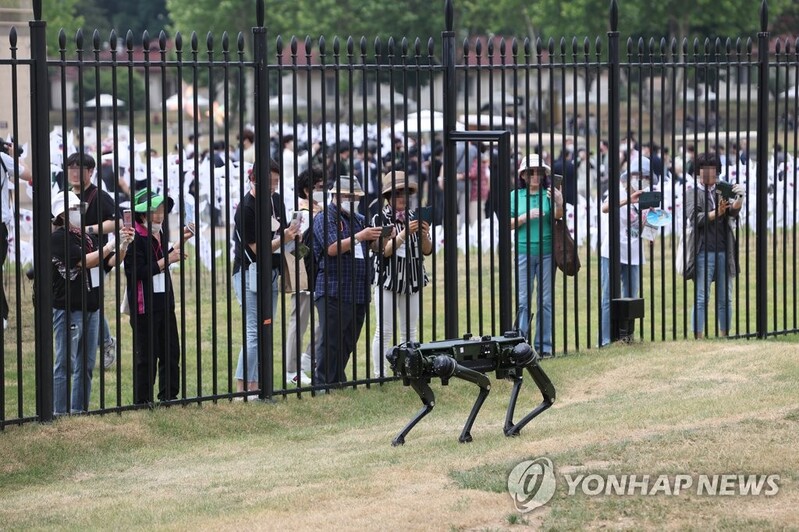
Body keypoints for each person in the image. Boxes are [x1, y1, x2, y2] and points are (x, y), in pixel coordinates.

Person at [51, 191, 133, 414]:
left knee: (86, 365)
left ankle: (79, 410)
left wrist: (123, 245)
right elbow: (84, 262)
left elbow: (109, 263)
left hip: (92, 306)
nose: (78, 213)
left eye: (79, 208)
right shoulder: (59, 238)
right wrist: (110, 245)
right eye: (73, 209)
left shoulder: (87, 238)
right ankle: (59, 412)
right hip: (69, 307)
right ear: (62, 214)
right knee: (65, 363)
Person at [232, 159, 298, 396]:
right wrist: (285, 237)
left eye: (276, 182)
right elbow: (256, 248)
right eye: (268, 182)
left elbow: (280, 230)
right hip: (248, 272)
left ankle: (256, 384)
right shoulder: (246, 208)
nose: (272, 187)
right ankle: (243, 387)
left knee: (265, 328)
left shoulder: (276, 200)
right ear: (253, 180)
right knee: (253, 331)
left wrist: (292, 229)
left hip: (271, 272)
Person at [311, 175, 382, 388]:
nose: (353, 199)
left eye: (355, 196)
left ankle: (337, 380)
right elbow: (332, 248)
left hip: (358, 289)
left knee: (348, 340)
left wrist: (377, 238)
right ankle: (323, 382)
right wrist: (361, 236)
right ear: (336, 195)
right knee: (330, 339)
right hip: (334, 287)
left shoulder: (359, 219)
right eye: (349, 196)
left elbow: (372, 248)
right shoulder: (325, 218)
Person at [125, 188, 193, 405]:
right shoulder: (134, 237)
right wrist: (169, 260)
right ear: (142, 214)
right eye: (155, 211)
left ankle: (169, 396)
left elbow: (163, 257)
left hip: (164, 301)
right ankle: (142, 401)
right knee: (146, 355)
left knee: (171, 351)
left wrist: (181, 241)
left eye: (162, 210)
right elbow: (136, 272)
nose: (160, 215)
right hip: (144, 305)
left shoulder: (159, 232)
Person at [370, 171, 432, 378]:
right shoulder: (380, 218)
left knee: (410, 330)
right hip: (388, 278)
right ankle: (379, 374)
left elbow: (427, 250)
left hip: (412, 277)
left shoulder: (415, 217)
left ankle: (408, 370)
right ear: (389, 196)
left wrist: (424, 235)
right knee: (384, 330)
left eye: (406, 194)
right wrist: (403, 235)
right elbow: (382, 251)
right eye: (398, 193)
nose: (403, 198)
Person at [65, 152, 120, 370]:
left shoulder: (99, 196)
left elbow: (115, 222)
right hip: (72, 256)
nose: (75, 173)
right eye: (72, 169)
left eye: (81, 169)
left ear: (90, 172)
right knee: (77, 302)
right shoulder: (66, 196)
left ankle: (106, 342)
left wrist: (87, 229)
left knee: (91, 303)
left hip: (97, 258)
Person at [683, 152, 744, 339]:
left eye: (713, 170)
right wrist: (717, 212)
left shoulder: (721, 189)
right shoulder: (692, 192)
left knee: (725, 297)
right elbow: (696, 218)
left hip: (724, 249)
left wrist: (740, 197)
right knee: (702, 297)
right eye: (704, 170)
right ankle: (698, 336)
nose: (709, 175)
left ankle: (725, 334)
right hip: (703, 250)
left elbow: (732, 214)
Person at [599, 156, 658, 347]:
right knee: (609, 295)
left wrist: (651, 230)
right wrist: (627, 200)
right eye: (636, 174)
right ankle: (606, 339)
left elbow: (648, 226)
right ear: (629, 175)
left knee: (631, 295)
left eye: (644, 175)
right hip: (613, 251)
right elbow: (605, 208)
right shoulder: (617, 191)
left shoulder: (649, 196)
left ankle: (627, 336)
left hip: (634, 252)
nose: (640, 178)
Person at [510, 154, 563, 358]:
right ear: (523, 175)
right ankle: (521, 345)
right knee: (523, 300)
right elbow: (508, 223)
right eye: (530, 172)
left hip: (548, 252)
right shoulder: (516, 196)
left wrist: (559, 201)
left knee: (545, 301)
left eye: (538, 172)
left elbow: (558, 216)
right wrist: (525, 217)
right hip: (523, 251)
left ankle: (544, 347)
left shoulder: (549, 194)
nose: (535, 175)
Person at [283, 167, 325, 386]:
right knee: (298, 321)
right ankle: (291, 369)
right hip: (305, 271)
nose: (323, 190)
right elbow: (292, 244)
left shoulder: (326, 209)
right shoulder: (300, 213)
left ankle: (308, 357)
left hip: (323, 271)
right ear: (307, 190)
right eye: (319, 187)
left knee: (326, 319)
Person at [0, 140, 31, 331]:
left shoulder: (3, 160)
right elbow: (28, 174)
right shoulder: (3, 159)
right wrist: (15, 155)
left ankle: (2, 314)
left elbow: (28, 176)